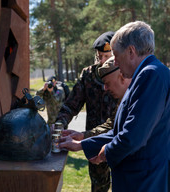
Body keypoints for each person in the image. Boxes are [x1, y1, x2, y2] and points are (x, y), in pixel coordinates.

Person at [60, 21, 170, 192]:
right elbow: (122, 130)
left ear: (131, 51)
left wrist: (105, 153)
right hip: (146, 177)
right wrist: (84, 144)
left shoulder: (150, 74)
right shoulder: (149, 73)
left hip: (150, 180)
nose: (115, 63)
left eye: (116, 56)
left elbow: (133, 136)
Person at [56, 31, 118, 192]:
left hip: (118, 139)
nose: (103, 61)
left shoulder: (125, 75)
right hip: (94, 141)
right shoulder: (88, 75)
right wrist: (60, 123)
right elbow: (71, 104)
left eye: (107, 56)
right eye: (100, 57)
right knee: (99, 186)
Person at [62, 56, 131, 141]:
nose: (105, 88)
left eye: (107, 83)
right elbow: (111, 125)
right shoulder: (124, 97)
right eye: (99, 56)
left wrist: (104, 150)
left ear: (122, 77)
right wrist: (83, 136)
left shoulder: (137, 98)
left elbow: (128, 139)